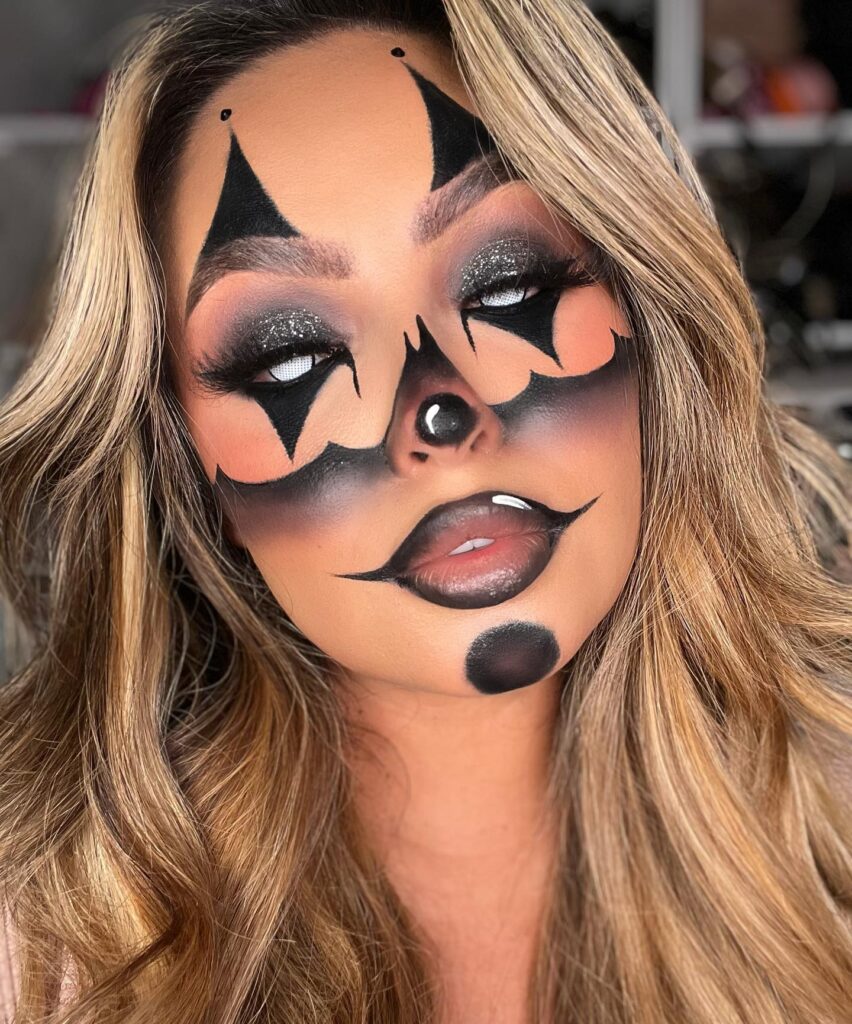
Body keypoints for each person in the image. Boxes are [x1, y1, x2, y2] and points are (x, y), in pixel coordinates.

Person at [0, 1, 850, 1021]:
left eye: (504, 281)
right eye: (288, 354)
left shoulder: (830, 845)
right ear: (190, 466)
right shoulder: (50, 944)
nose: (437, 408)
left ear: (644, 309)